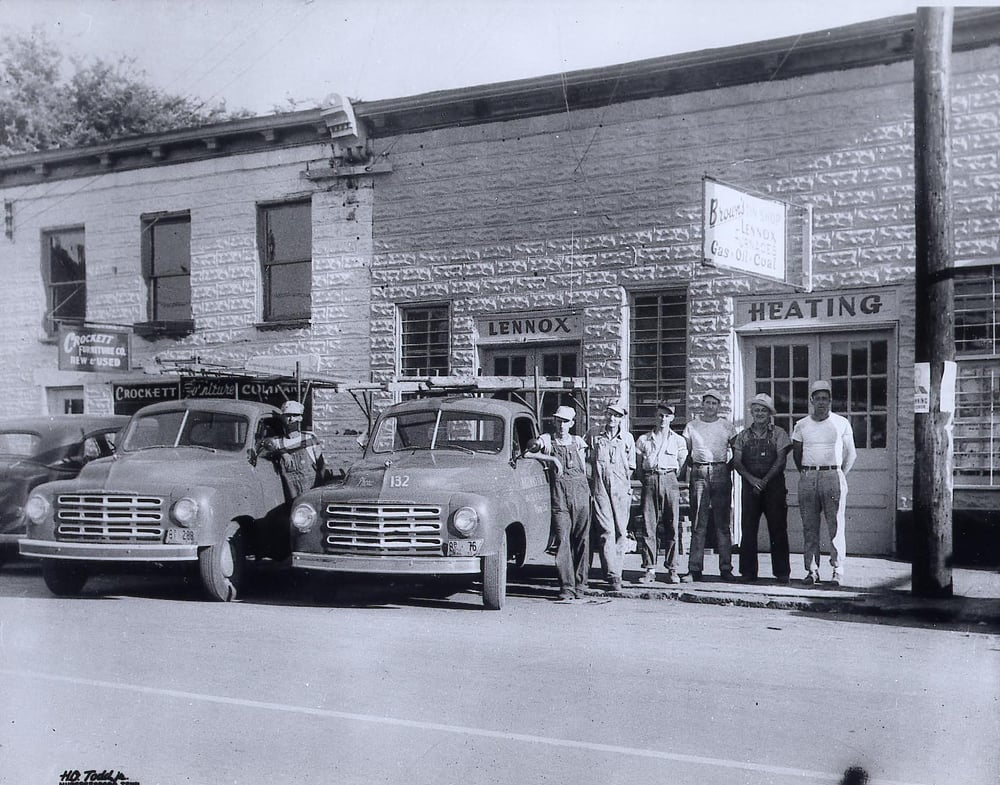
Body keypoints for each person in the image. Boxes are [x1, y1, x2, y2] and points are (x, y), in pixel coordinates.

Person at [792, 380, 857, 586]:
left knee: (835, 524)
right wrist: (807, 473)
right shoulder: (801, 425)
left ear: (830, 401)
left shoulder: (841, 423)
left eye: (825, 398)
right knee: (809, 526)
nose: (821, 402)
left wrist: (839, 474)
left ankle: (838, 569)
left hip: (833, 475)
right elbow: (797, 454)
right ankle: (812, 570)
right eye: (817, 398)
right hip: (809, 476)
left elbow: (851, 454)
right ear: (811, 400)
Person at [526, 405, 591, 601]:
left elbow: (587, 466)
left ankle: (580, 584)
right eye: (558, 421)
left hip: (581, 493)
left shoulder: (578, 442)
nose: (561, 425)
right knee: (563, 539)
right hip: (559, 496)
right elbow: (527, 453)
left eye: (565, 422)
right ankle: (566, 586)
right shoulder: (547, 440)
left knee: (582, 539)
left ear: (572, 423)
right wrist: (552, 459)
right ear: (554, 421)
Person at [731, 393, 792, 584]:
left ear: (769, 414)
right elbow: (737, 462)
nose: (759, 413)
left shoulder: (779, 434)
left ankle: (782, 572)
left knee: (778, 527)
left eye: (763, 410)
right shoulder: (742, 436)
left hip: (774, 487)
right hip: (750, 487)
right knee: (748, 529)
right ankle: (748, 572)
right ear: (751, 412)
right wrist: (752, 480)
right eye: (756, 410)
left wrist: (764, 481)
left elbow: (781, 460)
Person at [682, 390, 736, 582]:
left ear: (718, 406)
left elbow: (737, 451)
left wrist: (725, 468)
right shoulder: (692, 426)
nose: (710, 406)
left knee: (723, 523)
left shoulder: (726, 426)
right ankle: (694, 569)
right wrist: (698, 467)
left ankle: (726, 568)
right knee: (698, 522)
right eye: (707, 402)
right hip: (699, 473)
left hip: (721, 471)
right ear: (702, 404)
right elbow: (686, 453)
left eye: (714, 403)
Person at [634, 401, 688, 584]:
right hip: (650, 479)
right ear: (655, 416)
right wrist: (649, 479)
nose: (663, 419)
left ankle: (672, 569)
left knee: (672, 525)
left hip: (670, 479)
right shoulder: (643, 440)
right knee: (649, 526)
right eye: (660, 415)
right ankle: (649, 569)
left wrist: (668, 477)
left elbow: (681, 465)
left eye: (667, 416)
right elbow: (639, 467)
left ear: (672, 418)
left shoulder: (678, 440)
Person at [585, 398, 635, 592]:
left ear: (622, 418)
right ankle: (613, 575)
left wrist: (621, 484)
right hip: (600, 488)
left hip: (621, 489)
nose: (612, 418)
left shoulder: (627, 439)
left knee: (621, 531)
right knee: (606, 530)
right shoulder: (594, 434)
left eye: (617, 415)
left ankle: (617, 570)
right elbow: (585, 457)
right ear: (605, 414)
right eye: (610, 414)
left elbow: (632, 466)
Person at [258, 400, 327, 501]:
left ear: (300, 418)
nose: (291, 419)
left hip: (312, 492)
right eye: (288, 416)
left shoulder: (309, 438)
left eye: (294, 415)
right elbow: (262, 453)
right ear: (283, 418)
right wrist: (282, 452)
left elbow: (321, 465)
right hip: (292, 495)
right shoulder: (277, 442)